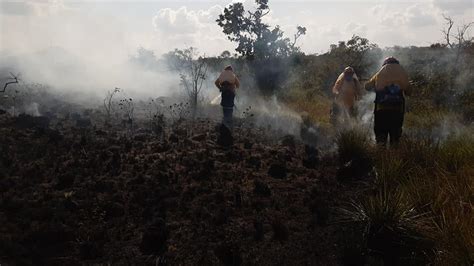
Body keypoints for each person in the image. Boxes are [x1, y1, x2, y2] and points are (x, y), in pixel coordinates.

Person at [365, 57, 410, 146]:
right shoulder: (403, 72)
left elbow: (367, 87)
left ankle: (381, 156)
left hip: (381, 111)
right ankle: (393, 157)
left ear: (385, 63)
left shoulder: (380, 72)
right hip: (397, 110)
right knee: (395, 137)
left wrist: (375, 88)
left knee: (381, 137)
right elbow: (409, 92)